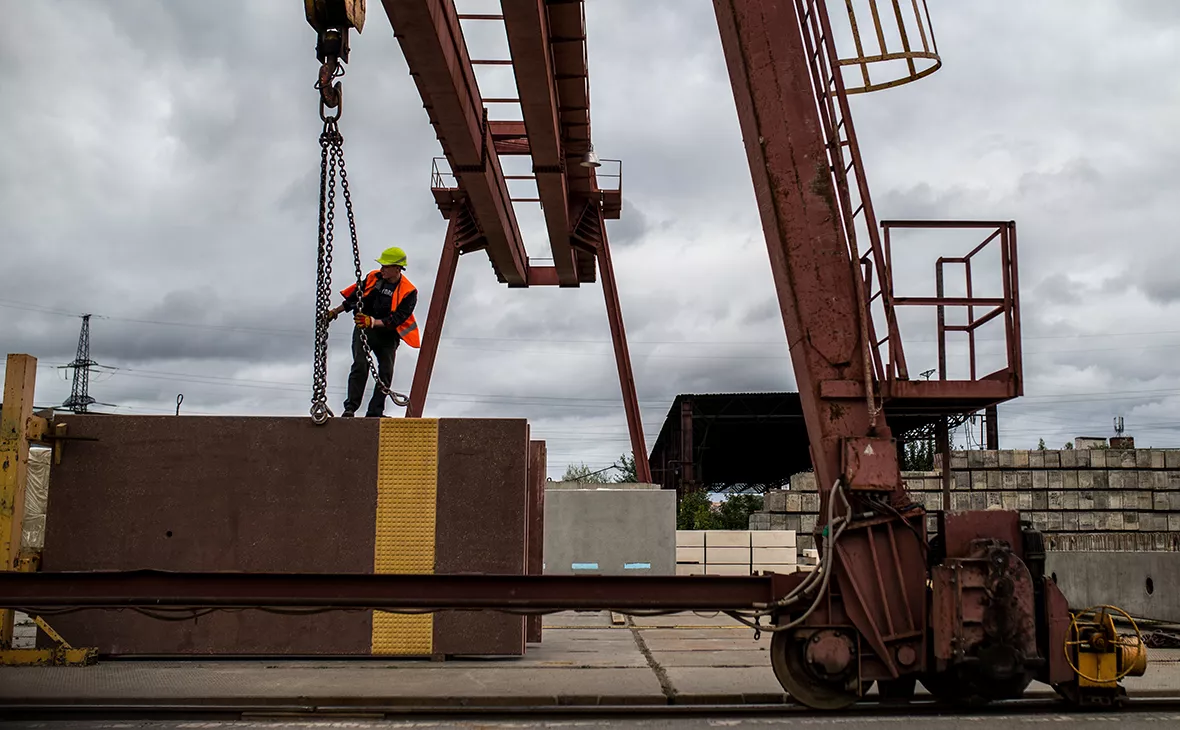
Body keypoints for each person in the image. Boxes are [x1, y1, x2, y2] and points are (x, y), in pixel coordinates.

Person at [326, 246, 421, 417]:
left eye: (386, 266)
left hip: (387, 335)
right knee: (360, 365)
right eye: (382, 266)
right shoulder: (373, 278)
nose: (382, 269)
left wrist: (373, 322)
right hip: (365, 331)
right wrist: (335, 312)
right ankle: (350, 408)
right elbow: (355, 298)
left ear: (397, 268)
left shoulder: (408, 292)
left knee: (385, 372)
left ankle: (375, 412)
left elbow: (397, 319)